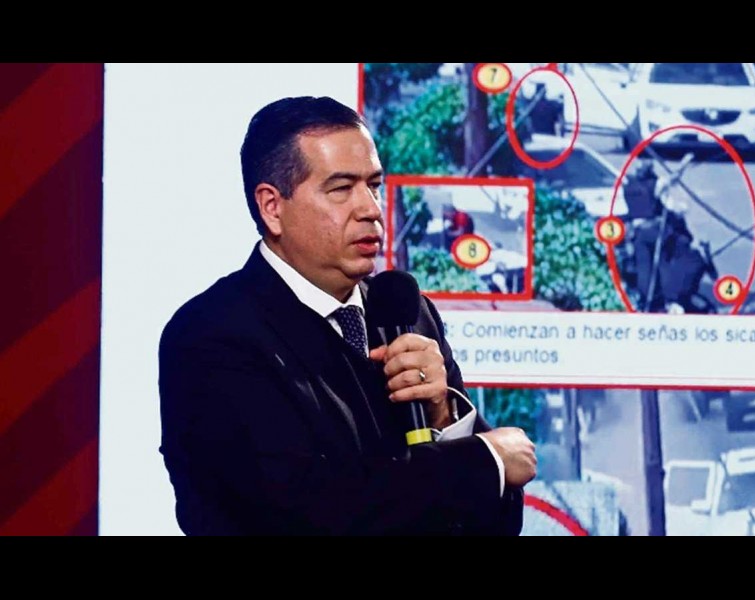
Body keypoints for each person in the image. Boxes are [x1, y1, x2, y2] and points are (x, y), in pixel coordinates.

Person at [158, 96, 537, 535]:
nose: (371, 209)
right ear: (272, 207)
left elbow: (494, 523)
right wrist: (486, 459)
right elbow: (308, 511)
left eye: (373, 185)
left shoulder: (406, 312)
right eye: (341, 189)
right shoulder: (211, 335)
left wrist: (443, 418)